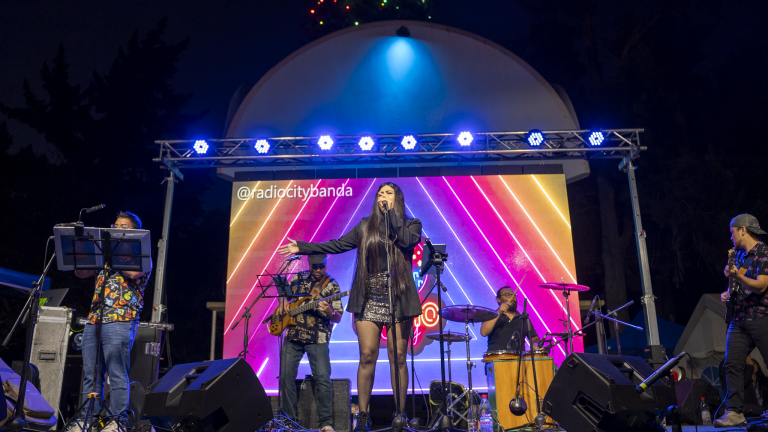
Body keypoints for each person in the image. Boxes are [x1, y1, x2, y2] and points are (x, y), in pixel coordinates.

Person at [278, 182, 422, 432]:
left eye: (388, 193)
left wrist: (390, 216)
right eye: (379, 194)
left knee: (397, 357)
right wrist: (303, 247)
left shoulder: (411, 224)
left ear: (397, 199)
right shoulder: (366, 225)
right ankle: (364, 416)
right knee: (367, 355)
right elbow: (337, 245)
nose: (382, 197)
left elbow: (408, 242)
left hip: (398, 296)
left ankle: (400, 415)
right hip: (369, 296)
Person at [69, 211, 152, 432]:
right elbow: (81, 273)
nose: (116, 229)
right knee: (91, 372)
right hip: (96, 318)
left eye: (122, 226)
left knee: (116, 371)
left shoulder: (140, 254)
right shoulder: (104, 255)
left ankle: (116, 421)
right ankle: (87, 419)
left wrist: (110, 254)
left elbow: (135, 274)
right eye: (114, 226)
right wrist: (84, 253)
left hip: (121, 317)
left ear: (134, 232)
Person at [277, 253, 343, 432]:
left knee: (322, 379)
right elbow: (284, 295)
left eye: (322, 266)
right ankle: (290, 422)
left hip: (318, 337)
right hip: (293, 334)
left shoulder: (332, 284)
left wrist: (330, 311)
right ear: (309, 264)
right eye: (315, 266)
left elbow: (338, 317)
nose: (318, 270)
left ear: (326, 264)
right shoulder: (297, 278)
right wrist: (283, 301)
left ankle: (325, 423)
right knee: (285, 377)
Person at [715, 214, 768, 427]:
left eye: (732, 232)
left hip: (761, 315)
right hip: (739, 317)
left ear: (743, 230)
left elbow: (762, 285)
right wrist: (726, 294)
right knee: (732, 363)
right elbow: (736, 284)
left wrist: (737, 277)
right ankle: (735, 412)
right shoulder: (738, 254)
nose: (731, 236)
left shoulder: (764, 252)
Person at [480, 286, 540, 352]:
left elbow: (534, 337)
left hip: (519, 360)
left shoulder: (523, 318)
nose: (512, 297)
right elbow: (484, 332)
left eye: (514, 295)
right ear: (498, 299)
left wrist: (535, 344)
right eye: (507, 295)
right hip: (496, 359)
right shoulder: (492, 315)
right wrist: (499, 312)